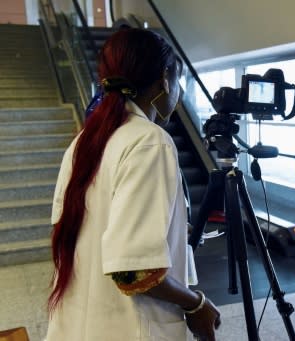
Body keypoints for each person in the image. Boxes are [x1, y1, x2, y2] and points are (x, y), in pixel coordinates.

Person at [46, 28, 221, 341]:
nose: (178, 91)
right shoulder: (150, 141)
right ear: (164, 79)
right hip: (129, 329)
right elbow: (134, 272)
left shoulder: (84, 142)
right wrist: (197, 305)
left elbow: (91, 225)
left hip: (77, 327)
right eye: (178, 81)